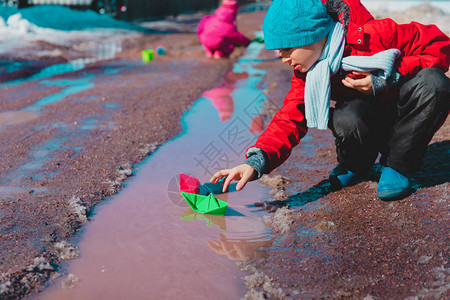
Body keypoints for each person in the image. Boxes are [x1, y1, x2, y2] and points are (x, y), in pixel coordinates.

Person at [210, 0, 450, 200]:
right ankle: (355, 165)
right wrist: (257, 161)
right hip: (365, 122)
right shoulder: (308, 73)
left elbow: (441, 44)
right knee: (348, 116)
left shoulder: (375, 36)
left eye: (286, 50)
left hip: (401, 119)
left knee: (435, 84)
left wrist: (392, 75)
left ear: (311, 36)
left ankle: (398, 167)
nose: (282, 58)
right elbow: (289, 118)